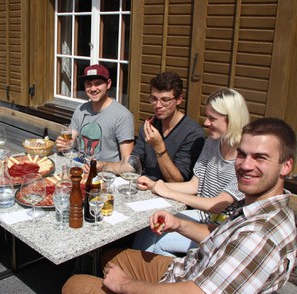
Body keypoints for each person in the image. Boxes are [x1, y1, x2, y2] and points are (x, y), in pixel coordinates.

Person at [62, 117, 296, 293]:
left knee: (75, 284)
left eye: (260, 158)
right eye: (242, 155)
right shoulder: (265, 207)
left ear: (286, 166)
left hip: (189, 284)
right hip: (189, 267)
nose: (245, 165)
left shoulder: (258, 236)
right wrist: (179, 224)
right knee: (113, 256)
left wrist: (125, 285)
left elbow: (195, 292)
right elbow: (223, 235)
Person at [133, 88, 249, 256]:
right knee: (152, 222)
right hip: (202, 216)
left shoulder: (246, 158)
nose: (206, 123)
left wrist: (168, 192)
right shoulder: (212, 142)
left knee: (161, 245)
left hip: (222, 228)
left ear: (232, 120)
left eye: (212, 118)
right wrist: (155, 185)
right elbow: (195, 184)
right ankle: (134, 268)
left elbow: (215, 205)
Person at [102, 72, 205, 181]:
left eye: (165, 100)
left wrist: (158, 146)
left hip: (171, 194)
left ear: (179, 99)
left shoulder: (192, 133)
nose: (158, 105)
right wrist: (102, 165)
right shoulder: (149, 125)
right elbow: (131, 166)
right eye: (154, 99)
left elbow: (177, 180)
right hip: (144, 187)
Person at [55, 64, 135, 162]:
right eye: (88, 84)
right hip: (80, 166)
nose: (93, 89)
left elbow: (127, 163)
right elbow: (69, 141)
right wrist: (63, 145)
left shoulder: (123, 115)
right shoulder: (80, 109)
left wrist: (103, 167)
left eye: (98, 83)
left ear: (108, 84)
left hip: (106, 174)